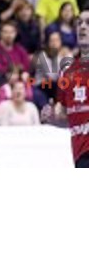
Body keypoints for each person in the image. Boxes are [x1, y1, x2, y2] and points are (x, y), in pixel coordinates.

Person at [42, 9, 89, 167]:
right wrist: (52, 118)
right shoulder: (68, 72)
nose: (82, 27)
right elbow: (66, 116)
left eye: (88, 23)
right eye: (79, 23)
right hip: (80, 153)